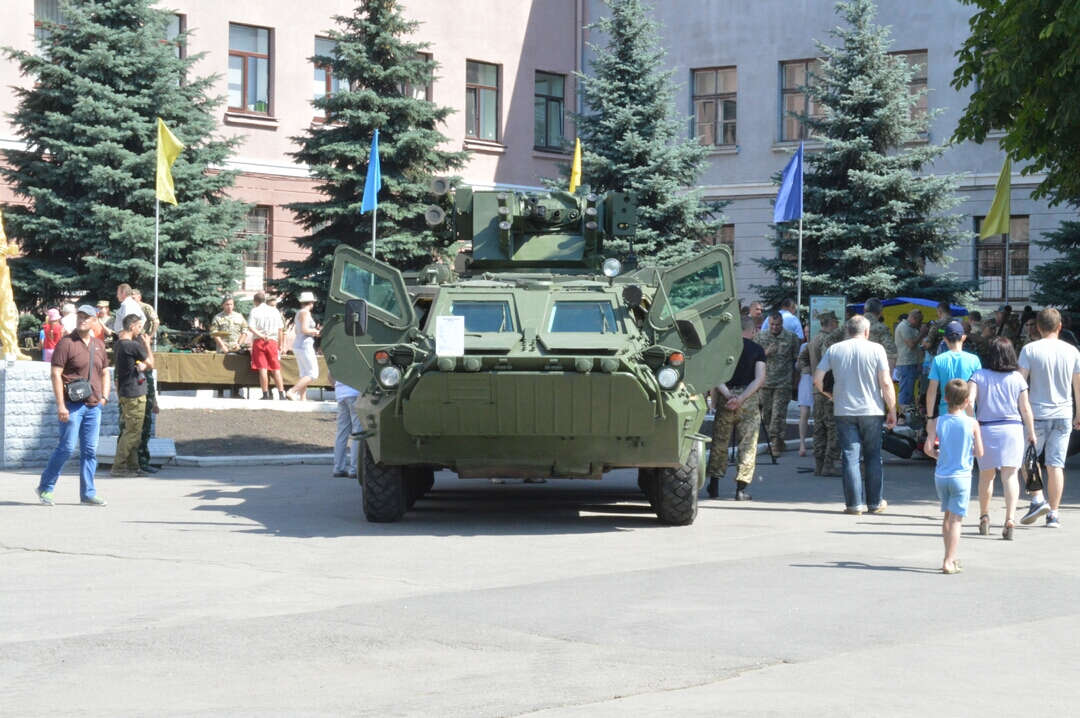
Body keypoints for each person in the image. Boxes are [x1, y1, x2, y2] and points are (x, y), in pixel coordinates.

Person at [813, 315, 897, 515]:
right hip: (872, 410)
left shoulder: (834, 349)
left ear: (848, 330)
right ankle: (875, 503)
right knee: (873, 456)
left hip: (844, 410)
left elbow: (817, 379)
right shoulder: (877, 349)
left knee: (850, 457)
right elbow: (886, 383)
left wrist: (830, 395)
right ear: (867, 331)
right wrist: (892, 409)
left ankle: (854, 505)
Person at [36, 304, 110, 506]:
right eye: (80, 316)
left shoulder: (99, 344)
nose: (82, 320)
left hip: (94, 406)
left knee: (90, 451)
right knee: (67, 448)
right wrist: (61, 405)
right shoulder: (66, 343)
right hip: (72, 406)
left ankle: (88, 493)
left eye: (87, 317)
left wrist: (104, 397)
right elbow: (55, 374)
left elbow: (105, 372)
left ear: (95, 321)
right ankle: (45, 487)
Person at [1016, 308, 1080, 528]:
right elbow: (1077, 385)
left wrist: (1019, 410)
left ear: (1038, 327)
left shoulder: (1029, 349)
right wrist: (1079, 413)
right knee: (1056, 465)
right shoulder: (1072, 351)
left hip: (1036, 413)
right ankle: (1053, 514)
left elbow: (1020, 383)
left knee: (1027, 459)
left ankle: (1037, 499)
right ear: (1060, 326)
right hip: (1064, 414)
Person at [968, 337, 1036, 540]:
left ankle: (984, 517)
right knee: (1011, 476)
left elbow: (969, 402)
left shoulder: (978, 376)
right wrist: (1031, 432)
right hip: (1012, 429)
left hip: (986, 429)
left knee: (986, 476)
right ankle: (1010, 519)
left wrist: (972, 422)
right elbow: (1025, 408)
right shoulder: (1017, 378)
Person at [925, 379, 983, 574]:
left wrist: (937, 455)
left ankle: (948, 555)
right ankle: (949, 560)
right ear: (967, 401)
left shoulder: (938, 421)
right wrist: (967, 452)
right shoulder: (972, 423)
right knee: (956, 520)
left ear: (946, 398)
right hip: (961, 476)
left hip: (941, 476)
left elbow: (928, 448)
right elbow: (979, 452)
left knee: (947, 516)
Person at [706, 316, 766, 500]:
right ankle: (741, 489)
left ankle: (714, 485)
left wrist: (728, 395)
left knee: (720, 443)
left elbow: (716, 375)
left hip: (726, 399)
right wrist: (741, 398)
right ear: (753, 331)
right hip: (748, 400)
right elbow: (759, 378)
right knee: (747, 444)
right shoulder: (758, 350)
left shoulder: (723, 348)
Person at [925, 321, 982, 451]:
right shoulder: (974, 360)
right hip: (968, 414)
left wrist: (930, 418)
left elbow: (931, 392)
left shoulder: (938, 360)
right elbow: (978, 390)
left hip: (945, 413)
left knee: (946, 452)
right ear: (964, 338)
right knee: (966, 452)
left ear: (945, 339)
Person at [755, 311, 800, 457]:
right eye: (772, 324)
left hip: (783, 383)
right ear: (768, 323)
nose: (775, 327)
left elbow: (796, 360)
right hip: (765, 382)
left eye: (778, 324)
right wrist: (766, 353)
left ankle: (774, 444)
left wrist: (795, 382)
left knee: (778, 414)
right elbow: (754, 359)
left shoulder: (791, 337)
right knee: (767, 415)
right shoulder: (760, 337)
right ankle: (778, 440)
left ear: (782, 323)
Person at [112, 313, 152, 477]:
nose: (140, 330)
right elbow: (151, 363)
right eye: (139, 327)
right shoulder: (132, 346)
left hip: (125, 391)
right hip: (134, 393)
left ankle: (133, 466)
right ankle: (119, 467)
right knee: (132, 433)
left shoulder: (119, 345)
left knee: (133, 431)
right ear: (132, 326)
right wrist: (147, 345)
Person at [808, 310, 844, 476]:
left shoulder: (814, 339)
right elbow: (828, 362)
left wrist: (809, 371)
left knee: (819, 428)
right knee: (832, 427)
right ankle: (829, 464)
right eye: (836, 322)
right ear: (832, 323)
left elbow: (802, 359)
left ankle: (819, 464)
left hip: (817, 389)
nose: (838, 325)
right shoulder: (828, 341)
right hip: (828, 389)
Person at [129, 289, 160, 473]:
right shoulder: (131, 348)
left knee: (145, 430)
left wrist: (154, 400)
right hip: (135, 397)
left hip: (145, 396)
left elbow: (149, 377)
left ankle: (143, 461)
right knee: (135, 431)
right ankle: (134, 463)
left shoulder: (146, 308)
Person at [248, 291, 287, 400]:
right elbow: (280, 329)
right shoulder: (274, 311)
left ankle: (265, 394)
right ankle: (281, 394)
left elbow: (250, 327)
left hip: (259, 341)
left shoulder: (254, 311)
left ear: (255, 301)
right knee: (276, 368)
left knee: (262, 368)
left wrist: (261, 335)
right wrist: (280, 345)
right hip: (272, 341)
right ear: (264, 300)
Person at [288, 291, 321, 401]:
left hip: (298, 344)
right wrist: (316, 331)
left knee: (304, 373)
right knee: (313, 373)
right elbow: (304, 329)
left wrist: (313, 331)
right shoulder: (306, 313)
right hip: (305, 345)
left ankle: (303, 398)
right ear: (311, 303)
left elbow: (298, 330)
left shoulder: (299, 313)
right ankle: (292, 391)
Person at [893, 309, 924, 411]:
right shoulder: (904, 327)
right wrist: (922, 334)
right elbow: (911, 344)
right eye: (919, 321)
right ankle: (903, 415)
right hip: (906, 363)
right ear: (914, 318)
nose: (920, 324)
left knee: (909, 391)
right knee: (905, 391)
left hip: (912, 363)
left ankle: (908, 414)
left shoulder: (912, 328)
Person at [333, 376, 362, 478]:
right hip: (355, 393)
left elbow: (330, 375)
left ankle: (338, 468)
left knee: (341, 433)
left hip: (340, 393)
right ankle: (355, 469)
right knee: (358, 433)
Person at [863, 297, 897, 369]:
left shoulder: (847, 326)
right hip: (872, 369)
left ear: (864, 310)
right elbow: (891, 353)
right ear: (880, 312)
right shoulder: (882, 328)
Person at [796, 331, 813, 456]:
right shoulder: (804, 346)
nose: (807, 335)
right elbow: (797, 366)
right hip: (806, 378)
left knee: (819, 414)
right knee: (804, 412)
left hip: (819, 377)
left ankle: (818, 443)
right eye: (806, 332)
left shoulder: (822, 341)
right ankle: (802, 444)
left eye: (809, 332)